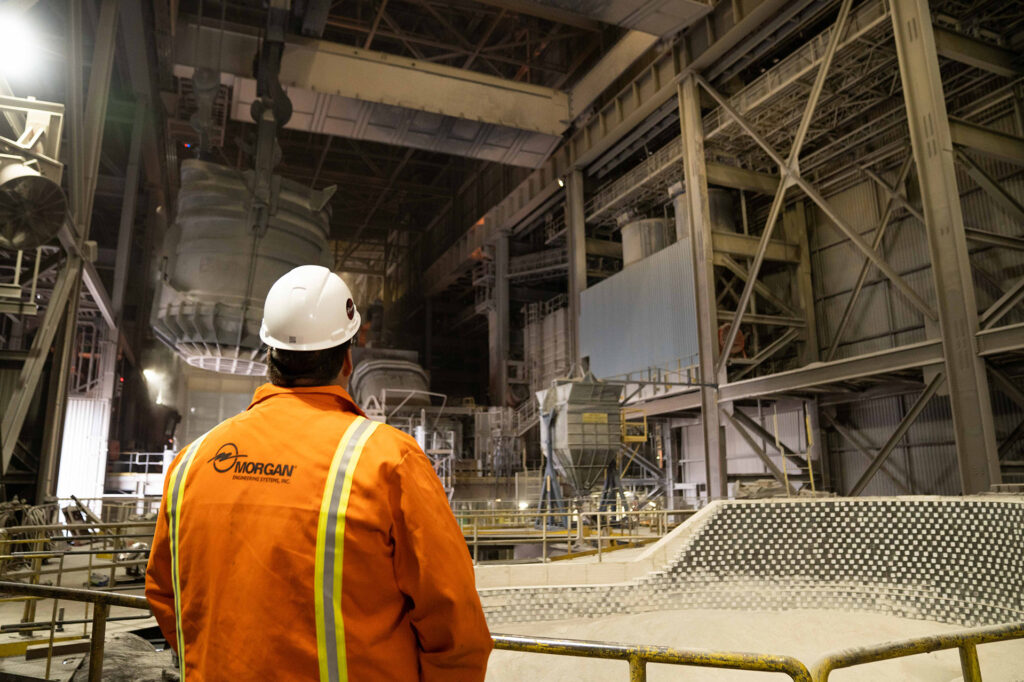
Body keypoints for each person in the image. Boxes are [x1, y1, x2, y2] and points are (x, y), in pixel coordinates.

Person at [146, 265, 492, 681]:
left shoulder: (191, 462)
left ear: (268, 354)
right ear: (348, 359)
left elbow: (165, 597)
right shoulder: (388, 461)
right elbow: (455, 624)